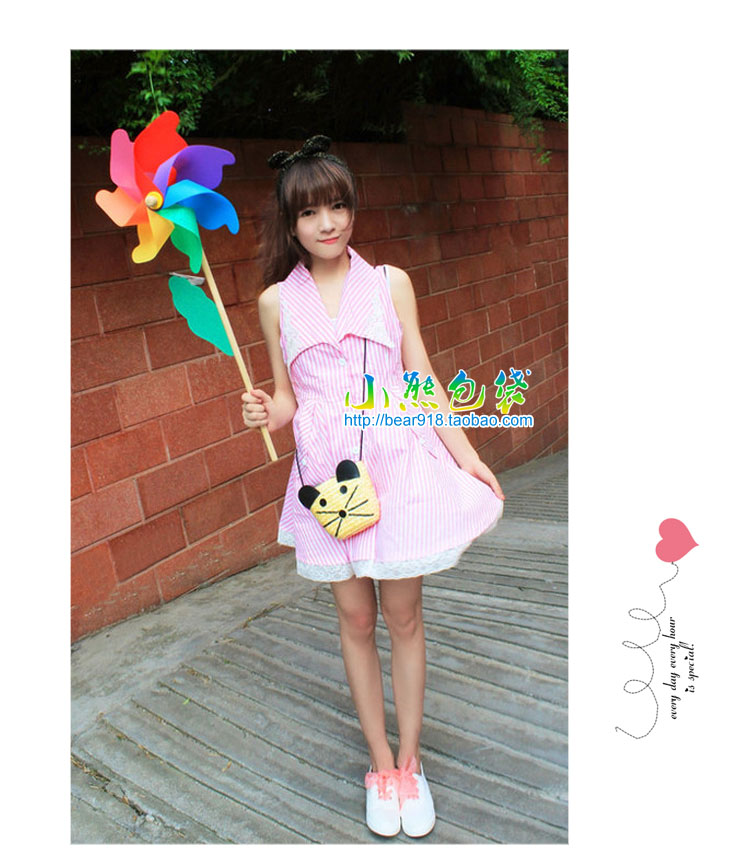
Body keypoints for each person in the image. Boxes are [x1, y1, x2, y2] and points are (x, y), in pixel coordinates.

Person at [242, 135, 505, 838]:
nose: (327, 223)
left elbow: (421, 378)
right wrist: (268, 410)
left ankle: (411, 763)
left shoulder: (390, 282)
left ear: (352, 209)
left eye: (337, 206)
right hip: (329, 481)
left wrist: (466, 454)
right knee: (356, 621)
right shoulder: (275, 302)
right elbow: (287, 397)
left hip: (398, 464)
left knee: (404, 617)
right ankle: (380, 764)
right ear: (291, 223)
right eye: (309, 212)